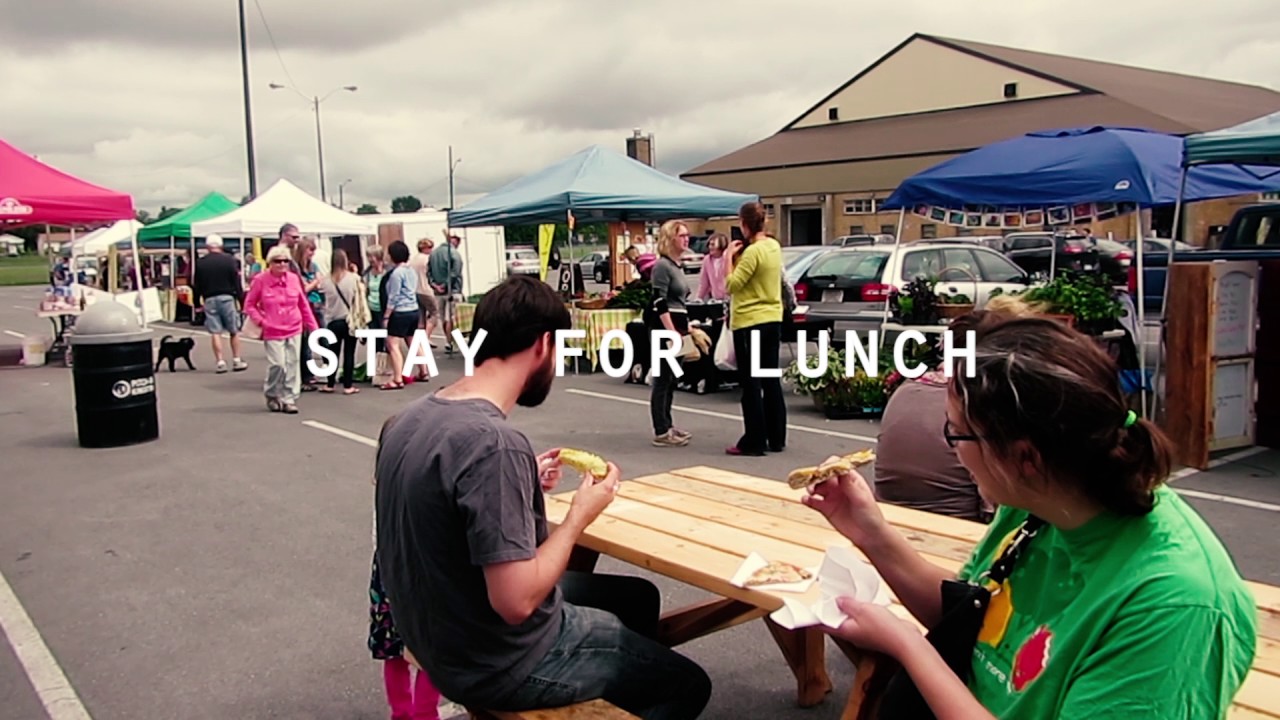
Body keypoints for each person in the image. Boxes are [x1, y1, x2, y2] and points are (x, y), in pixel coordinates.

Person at [804, 315, 1257, 720]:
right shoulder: (1039, 502)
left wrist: (909, 646)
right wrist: (870, 532)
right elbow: (979, 623)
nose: (951, 447)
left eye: (956, 431)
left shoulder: (1169, 605)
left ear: (1025, 456)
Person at [375, 275, 712, 720]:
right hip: (494, 661)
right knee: (687, 685)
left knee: (636, 599)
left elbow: (442, 509)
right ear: (543, 344)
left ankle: (612, 689)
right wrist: (578, 517)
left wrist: (519, 484)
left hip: (434, 631)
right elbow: (515, 603)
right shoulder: (493, 443)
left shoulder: (411, 418)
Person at [370, 415, 442, 720]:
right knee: (432, 649)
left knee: (394, 649)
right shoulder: (422, 489)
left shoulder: (385, 486)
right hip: (421, 574)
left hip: (387, 570)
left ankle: (403, 713)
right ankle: (424, 713)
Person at [723, 201, 786, 456]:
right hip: (773, 318)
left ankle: (754, 439)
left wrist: (728, 257)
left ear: (745, 224)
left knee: (751, 384)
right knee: (771, 380)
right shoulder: (774, 246)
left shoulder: (752, 253)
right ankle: (777, 436)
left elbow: (731, 285)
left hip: (750, 321)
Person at [243, 245, 318, 414]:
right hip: (272, 328)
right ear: (270, 263)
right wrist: (261, 321)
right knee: (278, 364)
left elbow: (303, 304)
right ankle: (272, 393)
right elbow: (249, 305)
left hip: (294, 326)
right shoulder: (261, 280)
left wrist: (313, 327)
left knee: (293, 363)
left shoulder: (293, 279)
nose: (282, 264)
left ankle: (289, 398)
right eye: (278, 261)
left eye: (285, 261)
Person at [648, 220, 692, 448]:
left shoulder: (677, 266)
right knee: (663, 378)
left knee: (673, 377)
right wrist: (671, 331)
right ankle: (661, 429)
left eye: (687, 235)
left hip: (680, 322)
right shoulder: (662, 267)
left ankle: (668, 423)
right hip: (666, 325)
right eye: (682, 235)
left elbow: (682, 300)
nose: (687, 239)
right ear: (670, 239)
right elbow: (659, 300)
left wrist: (689, 327)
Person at [193, 234, 248, 374]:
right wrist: (242, 300)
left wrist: (196, 302)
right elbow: (236, 282)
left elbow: (196, 285)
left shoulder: (200, 263)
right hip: (227, 297)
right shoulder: (230, 261)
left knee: (215, 331)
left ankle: (220, 361)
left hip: (209, 298)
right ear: (221, 245)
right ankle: (236, 359)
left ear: (207, 247)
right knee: (233, 330)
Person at [318, 249, 362, 395]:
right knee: (349, 353)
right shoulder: (353, 278)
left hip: (332, 320)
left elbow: (323, 299)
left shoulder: (325, 280)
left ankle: (330, 384)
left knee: (333, 353)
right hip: (350, 320)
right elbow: (359, 297)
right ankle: (348, 385)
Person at [380, 241, 419, 390]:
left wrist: (387, 315)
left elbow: (393, 296)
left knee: (392, 344)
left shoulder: (396, 273)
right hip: (413, 309)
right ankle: (423, 370)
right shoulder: (411, 271)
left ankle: (397, 378)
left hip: (401, 311)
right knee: (412, 340)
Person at [428, 233, 464, 354]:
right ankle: (450, 343)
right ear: (456, 241)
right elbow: (456, 271)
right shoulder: (454, 253)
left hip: (437, 292)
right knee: (451, 318)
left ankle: (448, 341)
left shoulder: (433, 253)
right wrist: (445, 284)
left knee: (443, 317)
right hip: (453, 290)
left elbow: (428, 271)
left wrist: (434, 285)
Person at [410, 239, 439, 364]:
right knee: (435, 314)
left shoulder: (413, 260)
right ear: (426, 248)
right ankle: (425, 338)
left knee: (421, 317)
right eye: (430, 247)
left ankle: (421, 338)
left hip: (416, 290)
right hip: (427, 290)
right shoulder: (428, 259)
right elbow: (431, 275)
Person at [696, 233, 730, 302]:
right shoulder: (706, 260)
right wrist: (698, 298)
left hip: (729, 298)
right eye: (709, 244)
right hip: (715, 299)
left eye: (713, 244)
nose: (710, 247)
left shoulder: (728, 258)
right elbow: (703, 283)